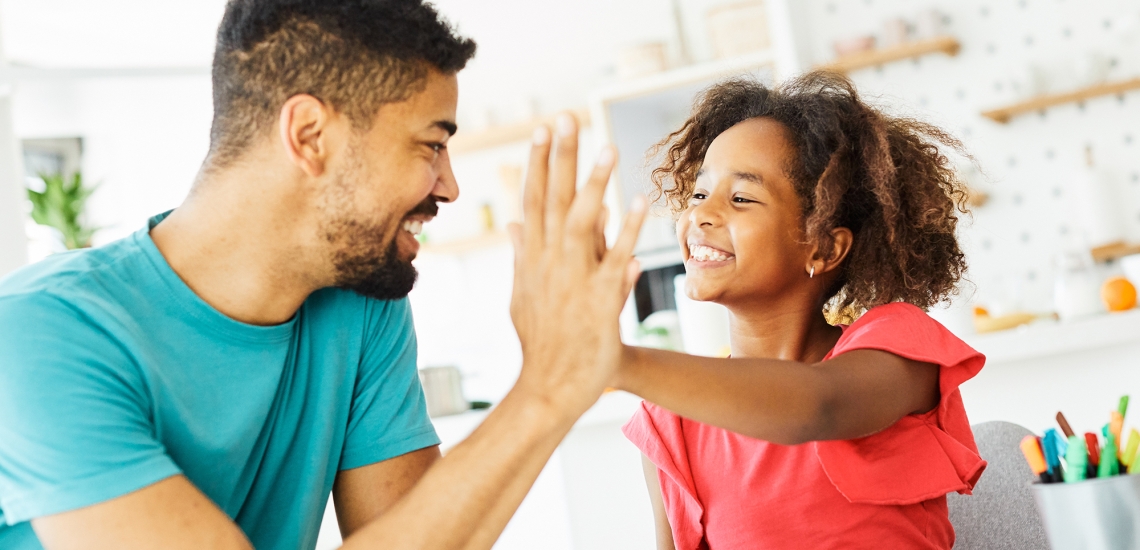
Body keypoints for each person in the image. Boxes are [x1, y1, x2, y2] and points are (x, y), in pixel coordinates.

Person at [0, 1, 645, 548]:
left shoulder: (361, 301)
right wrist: (546, 391)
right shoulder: (40, 334)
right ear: (309, 135)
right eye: (431, 144)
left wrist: (559, 383)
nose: (448, 186)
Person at [614, 72, 986, 550]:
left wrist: (622, 362)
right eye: (700, 194)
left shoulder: (896, 349)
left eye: (741, 198)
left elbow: (816, 406)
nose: (700, 216)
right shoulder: (672, 422)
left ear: (823, 247)